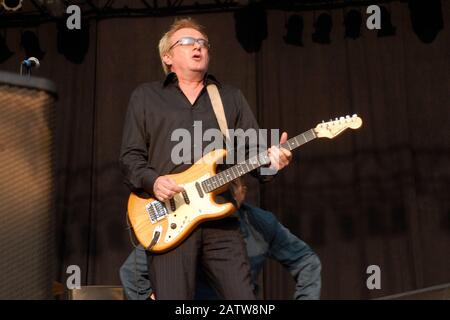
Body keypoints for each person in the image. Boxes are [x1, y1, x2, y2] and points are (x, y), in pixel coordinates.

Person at [119, 17, 293, 300]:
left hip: (221, 221)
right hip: (169, 218)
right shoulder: (146, 97)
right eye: (187, 42)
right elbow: (130, 157)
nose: (197, 47)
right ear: (168, 56)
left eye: (202, 43)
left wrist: (273, 160)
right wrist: (154, 182)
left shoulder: (230, 98)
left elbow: (253, 154)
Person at [120, 180, 322, 300]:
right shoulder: (186, 223)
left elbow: (306, 261)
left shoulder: (261, 223)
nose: (227, 193)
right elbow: (132, 271)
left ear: (243, 190)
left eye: (234, 186)